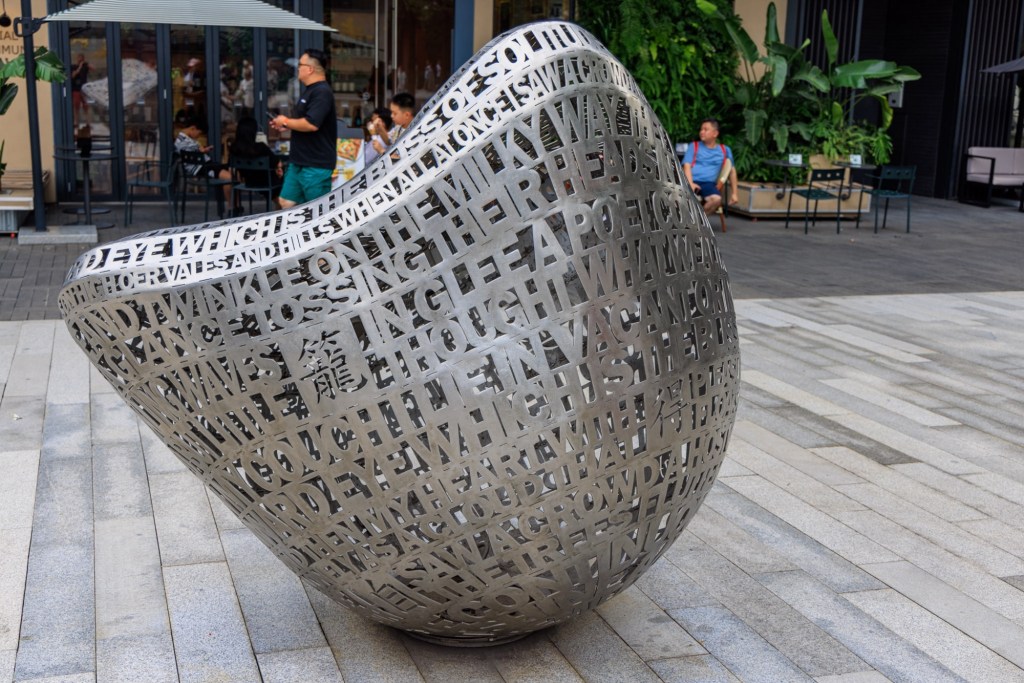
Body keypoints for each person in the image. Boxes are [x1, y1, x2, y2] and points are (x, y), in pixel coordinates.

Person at [270, 48, 337, 208]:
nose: (298, 68)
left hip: (315, 164)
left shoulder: (322, 92)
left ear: (310, 69)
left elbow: (311, 124)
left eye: (300, 65)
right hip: (298, 161)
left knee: (317, 210)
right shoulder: (310, 91)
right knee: (285, 202)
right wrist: (286, 125)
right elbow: (303, 122)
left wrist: (286, 121)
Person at [174, 116, 234, 211]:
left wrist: (202, 150)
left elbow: (194, 151)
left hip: (204, 166)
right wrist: (201, 150)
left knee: (231, 171)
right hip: (202, 168)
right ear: (193, 128)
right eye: (199, 133)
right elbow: (194, 151)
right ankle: (231, 207)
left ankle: (231, 205)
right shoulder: (185, 141)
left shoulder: (183, 139)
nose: (198, 136)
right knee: (229, 177)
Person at [682, 118, 739, 216]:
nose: (702, 132)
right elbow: (686, 166)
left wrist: (735, 193)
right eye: (701, 129)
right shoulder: (694, 146)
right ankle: (696, 222)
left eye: (705, 129)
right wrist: (690, 183)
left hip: (708, 184)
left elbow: (732, 171)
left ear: (715, 133)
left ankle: (699, 221)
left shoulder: (725, 150)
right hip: (689, 180)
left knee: (716, 199)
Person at [230, 116, 284, 210]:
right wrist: (279, 168)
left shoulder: (234, 148)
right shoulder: (261, 147)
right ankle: (281, 206)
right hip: (268, 182)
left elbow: (231, 166)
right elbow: (276, 162)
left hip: (249, 182)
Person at [70, 54, 90, 127]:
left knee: (86, 106)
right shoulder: (73, 67)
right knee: (76, 107)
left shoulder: (85, 67)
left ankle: (88, 122)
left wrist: (86, 64)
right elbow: (73, 75)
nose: (80, 60)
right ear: (77, 59)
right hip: (76, 89)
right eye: (79, 59)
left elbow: (94, 69)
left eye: (82, 59)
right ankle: (76, 122)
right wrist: (80, 66)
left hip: (84, 89)